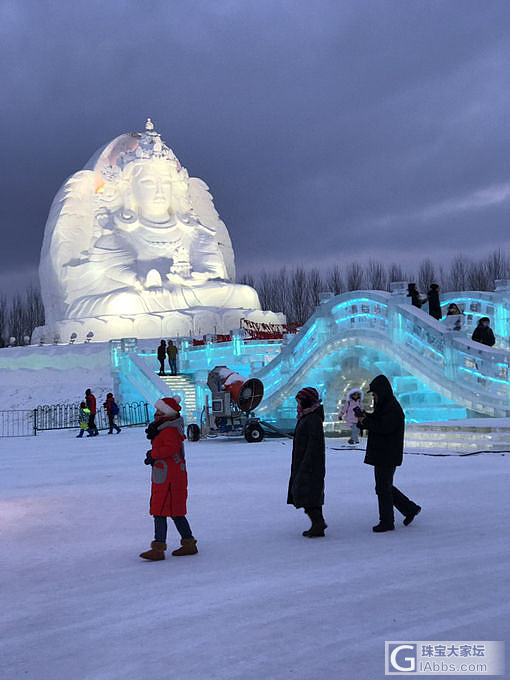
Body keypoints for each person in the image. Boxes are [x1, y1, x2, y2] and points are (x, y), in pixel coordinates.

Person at [357, 375, 421, 533]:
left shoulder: (392, 408)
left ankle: (387, 521)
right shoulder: (385, 406)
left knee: (383, 487)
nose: (374, 396)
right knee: (384, 486)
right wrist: (366, 416)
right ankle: (409, 508)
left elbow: (384, 427)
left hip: (387, 454)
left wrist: (366, 421)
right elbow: (379, 421)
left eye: (375, 393)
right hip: (383, 453)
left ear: (382, 392)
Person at [139, 396, 198, 561]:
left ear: (167, 413)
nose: (156, 413)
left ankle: (158, 548)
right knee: (174, 512)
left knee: (161, 512)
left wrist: (153, 454)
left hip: (169, 479)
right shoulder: (166, 427)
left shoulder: (170, 430)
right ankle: (188, 543)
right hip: (166, 476)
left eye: (159, 410)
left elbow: (171, 448)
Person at [287, 387, 327, 538]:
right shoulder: (308, 416)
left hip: (309, 465)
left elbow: (313, 445)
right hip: (305, 463)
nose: (298, 406)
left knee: (305, 493)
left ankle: (318, 523)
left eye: (299, 402)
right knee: (310, 495)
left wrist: (306, 465)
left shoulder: (312, 419)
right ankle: (318, 523)